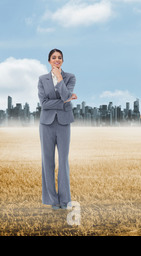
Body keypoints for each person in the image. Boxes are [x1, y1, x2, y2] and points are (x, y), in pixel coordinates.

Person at [37, 49, 77, 210]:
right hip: (46, 124)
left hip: (63, 123)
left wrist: (60, 78)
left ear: (62, 60)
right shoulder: (42, 79)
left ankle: (65, 200)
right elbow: (44, 104)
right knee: (47, 161)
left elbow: (64, 94)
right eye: (54, 58)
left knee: (63, 161)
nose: (57, 60)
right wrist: (66, 100)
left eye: (59, 58)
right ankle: (52, 200)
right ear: (49, 61)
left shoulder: (70, 77)